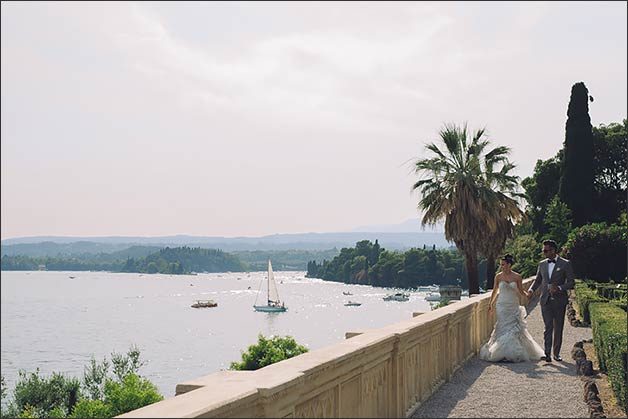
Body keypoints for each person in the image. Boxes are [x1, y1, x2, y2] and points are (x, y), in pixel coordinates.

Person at [479, 254, 545, 362]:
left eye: (504, 265)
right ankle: (501, 352)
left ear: (509, 265)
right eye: (501, 265)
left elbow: (520, 291)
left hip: (513, 305)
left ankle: (511, 353)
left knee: (513, 328)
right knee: (502, 326)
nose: (502, 267)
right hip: (501, 305)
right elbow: (495, 291)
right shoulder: (498, 276)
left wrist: (528, 295)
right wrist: (490, 304)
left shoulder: (517, 277)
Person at [526, 239, 575, 362]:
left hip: (559, 301)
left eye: (546, 250)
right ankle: (547, 354)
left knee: (558, 328)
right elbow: (538, 280)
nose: (544, 253)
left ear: (553, 251)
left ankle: (556, 354)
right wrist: (531, 290)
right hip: (545, 300)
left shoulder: (565, 264)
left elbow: (571, 282)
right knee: (548, 327)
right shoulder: (542, 264)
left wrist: (559, 288)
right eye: (543, 250)